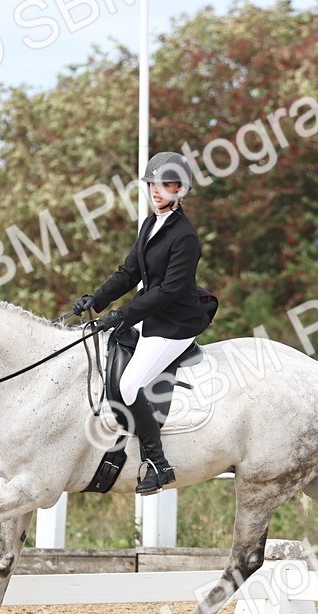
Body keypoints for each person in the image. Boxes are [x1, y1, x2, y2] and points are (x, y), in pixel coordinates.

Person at [72, 151, 219, 494]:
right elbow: (130, 272)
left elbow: (168, 291)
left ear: (179, 191)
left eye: (166, 185)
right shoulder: (150, 223)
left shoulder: (185, 236)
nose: (157, 190)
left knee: (128, 384)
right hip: (151, 314)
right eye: (154, 183)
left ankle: (157, 463)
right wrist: (97, 298)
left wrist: (121, 315)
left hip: (175, 322)